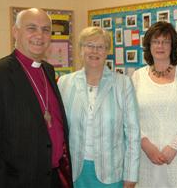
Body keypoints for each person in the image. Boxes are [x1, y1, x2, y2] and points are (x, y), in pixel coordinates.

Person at [0, 8, 73, 188]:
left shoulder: (48, 70)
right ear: (15, 32)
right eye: (31, 28)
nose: (39, 35)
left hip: (54, 179)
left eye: (46, 29)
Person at [57, 27, 140, 188]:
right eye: (89, 45)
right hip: (74, 171)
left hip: (111, 173)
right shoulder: (64, 83)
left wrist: (131, 176)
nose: (94, 51)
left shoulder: (123, 84)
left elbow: (133, 134)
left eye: (100, 46)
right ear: (81, 49)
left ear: (107, 51)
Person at [131, 21, 177, 187]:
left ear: (173, 46)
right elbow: (130, 117)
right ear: (148, 46)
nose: (160, 46)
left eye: (166, 41)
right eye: (156, 41)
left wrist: (174, 146)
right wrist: (145, 144)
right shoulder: (137, 77)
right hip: (147, 158)